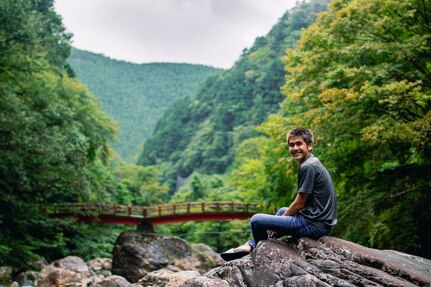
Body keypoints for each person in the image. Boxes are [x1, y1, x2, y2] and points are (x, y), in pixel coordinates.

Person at [221, 127, 337, 261]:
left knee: (256, 220)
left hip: (314, 225)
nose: (295, 148)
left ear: (309, 146)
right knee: (282, 211)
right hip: (318, 221)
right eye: (291, 145)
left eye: (299, 144)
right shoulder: (312, 162)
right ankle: (250, 245)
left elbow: (299, 203)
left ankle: (260, 254)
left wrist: (276, 228)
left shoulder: (308, 166)